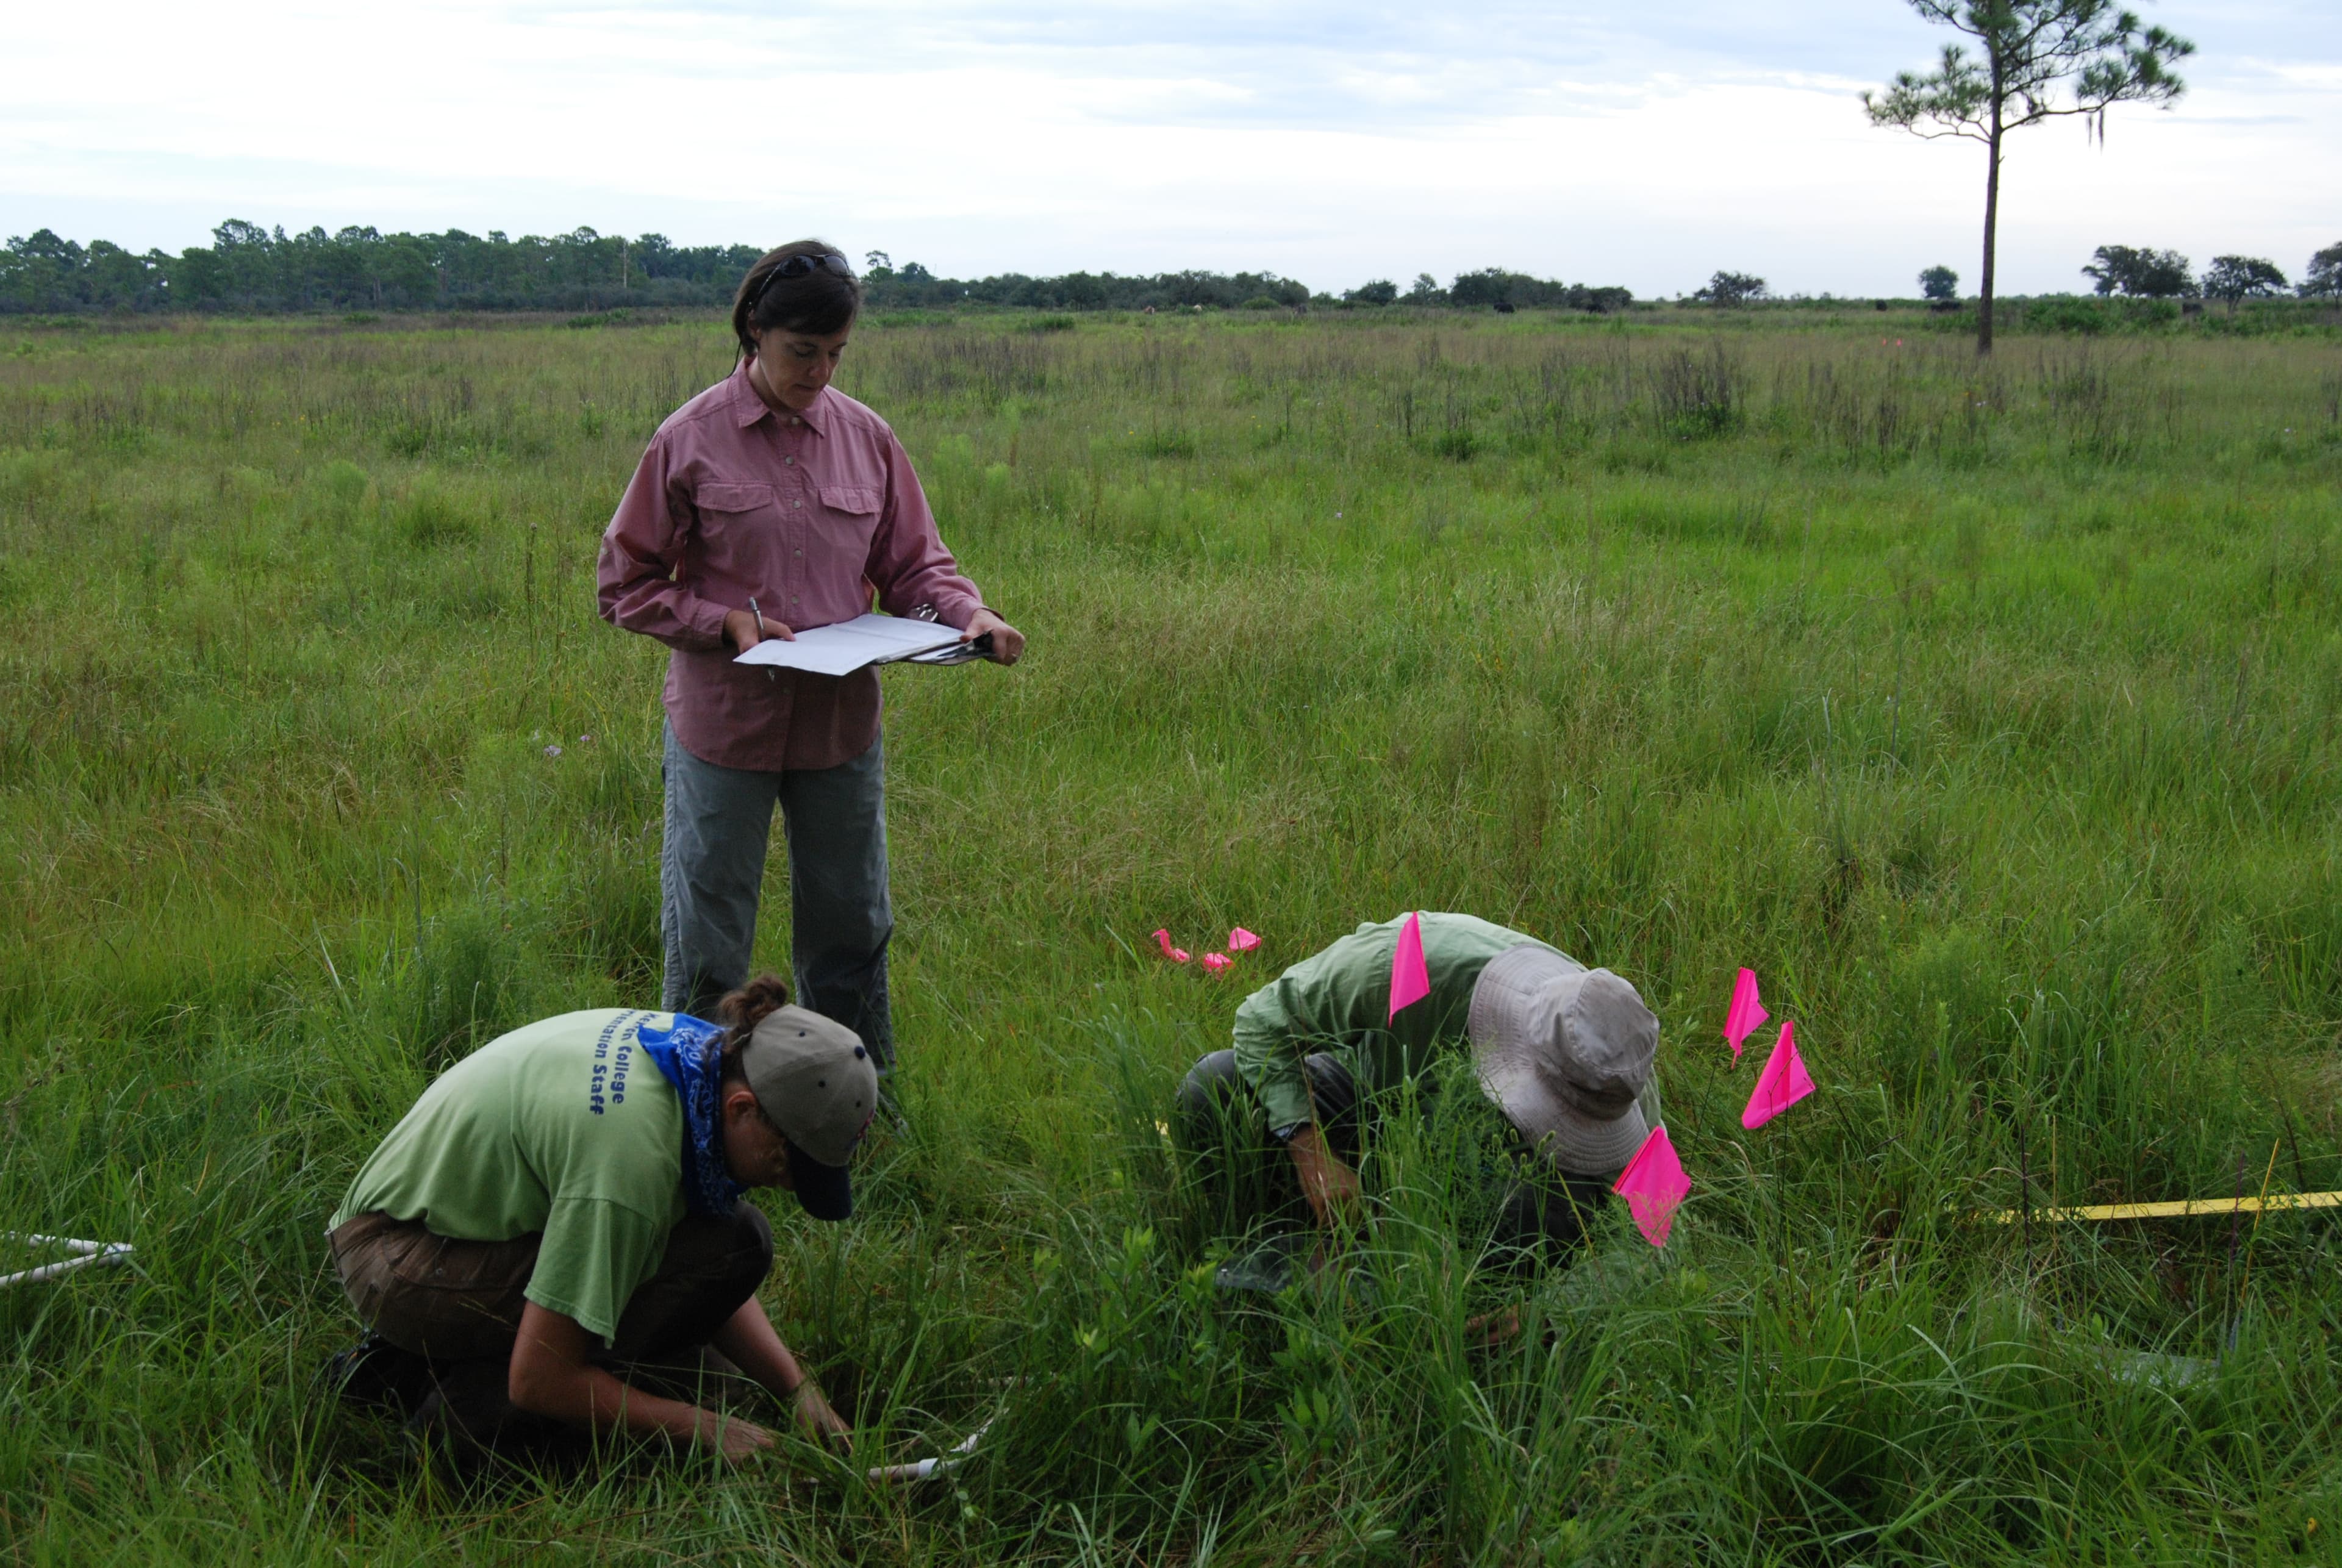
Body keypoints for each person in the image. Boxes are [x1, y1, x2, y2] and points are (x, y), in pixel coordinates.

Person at [597, 240, 1024, 1064]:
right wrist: (723, 622)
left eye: (836, 354)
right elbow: (626, 582)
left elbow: (913, 566)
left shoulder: (867, 437)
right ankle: (703, 1115)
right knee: (710, 938)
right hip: (724, 729)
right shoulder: (689, 438)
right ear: (755, 332)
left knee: (852, 927)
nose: (820, 371)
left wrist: (969, 614)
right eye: (802, 352)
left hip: (839, 727)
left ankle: (853, 1105)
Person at [324, 978, 873, 1462]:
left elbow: (712, 1258)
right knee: (660, 1389)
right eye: (787, 1164)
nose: (786, 1184)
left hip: (455, 1225)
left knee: (738, 1243)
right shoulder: (632, 1163)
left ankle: (436, 1362)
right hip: (397, 1256)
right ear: (743, 1109)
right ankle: (452, 1423)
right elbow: (540, 1377)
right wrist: (706, 1430)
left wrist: (797, 1389)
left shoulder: (698, 1059)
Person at [1175, 912, 1661, 1273]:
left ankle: (1480, 1282)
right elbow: (1263, 1021)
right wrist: (1311, 1150)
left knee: (1554, 1212)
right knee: (1212, 1086)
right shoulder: (1414, 959)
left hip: (1495, 1177)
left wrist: (1551, 1309)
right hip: (1370, 1109)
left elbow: (1659, 1230)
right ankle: (1290, 1231)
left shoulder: (1618, 1068)